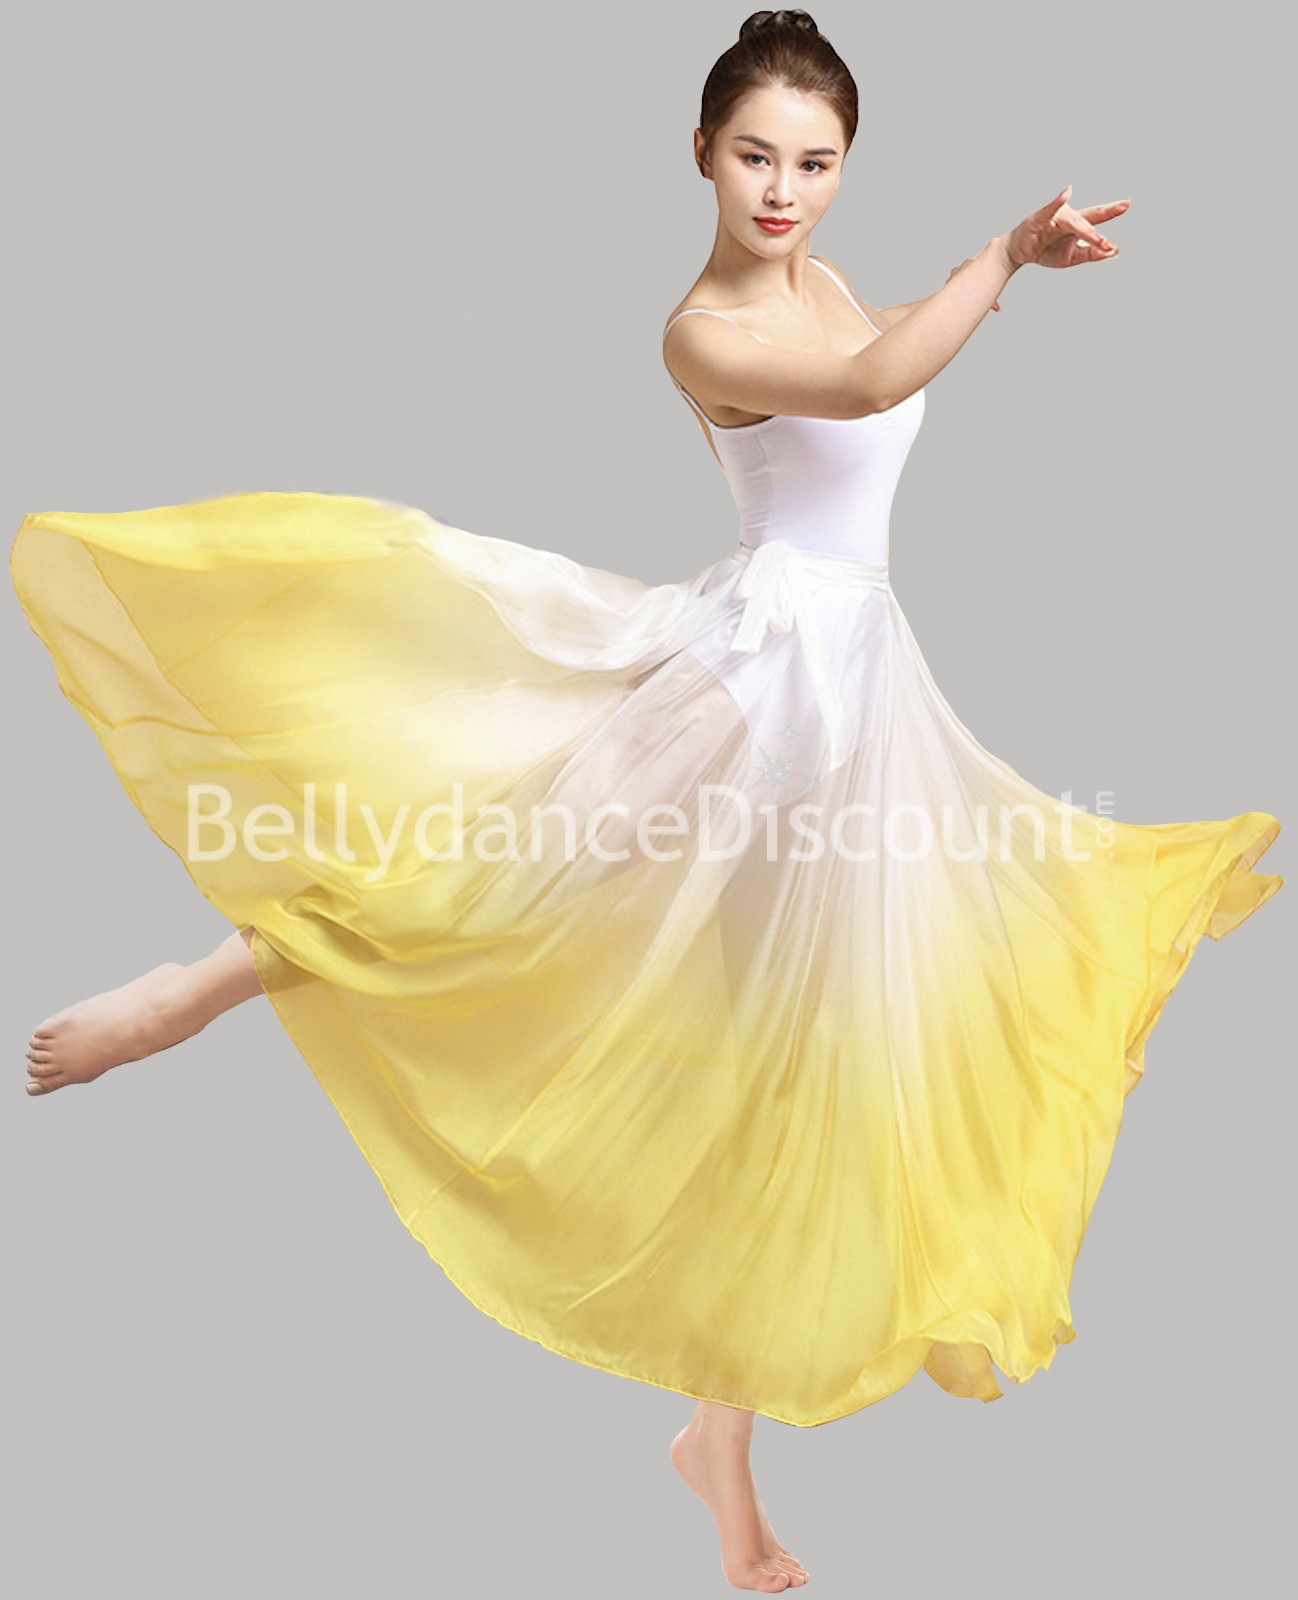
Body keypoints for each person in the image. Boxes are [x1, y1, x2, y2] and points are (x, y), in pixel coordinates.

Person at [11, 10, 1283, 1595]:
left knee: (792, 1076)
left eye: (814, 163)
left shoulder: (821, 282)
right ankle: (189, 993)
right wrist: (1005, 254)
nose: (782, 190)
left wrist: (983, 280)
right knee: (489, 884)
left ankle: (716, 1449)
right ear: (699, 154)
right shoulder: (702, 331)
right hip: (746, 683)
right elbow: (871, 379)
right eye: (754, 156)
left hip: (853, 702)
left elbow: (877, 340)